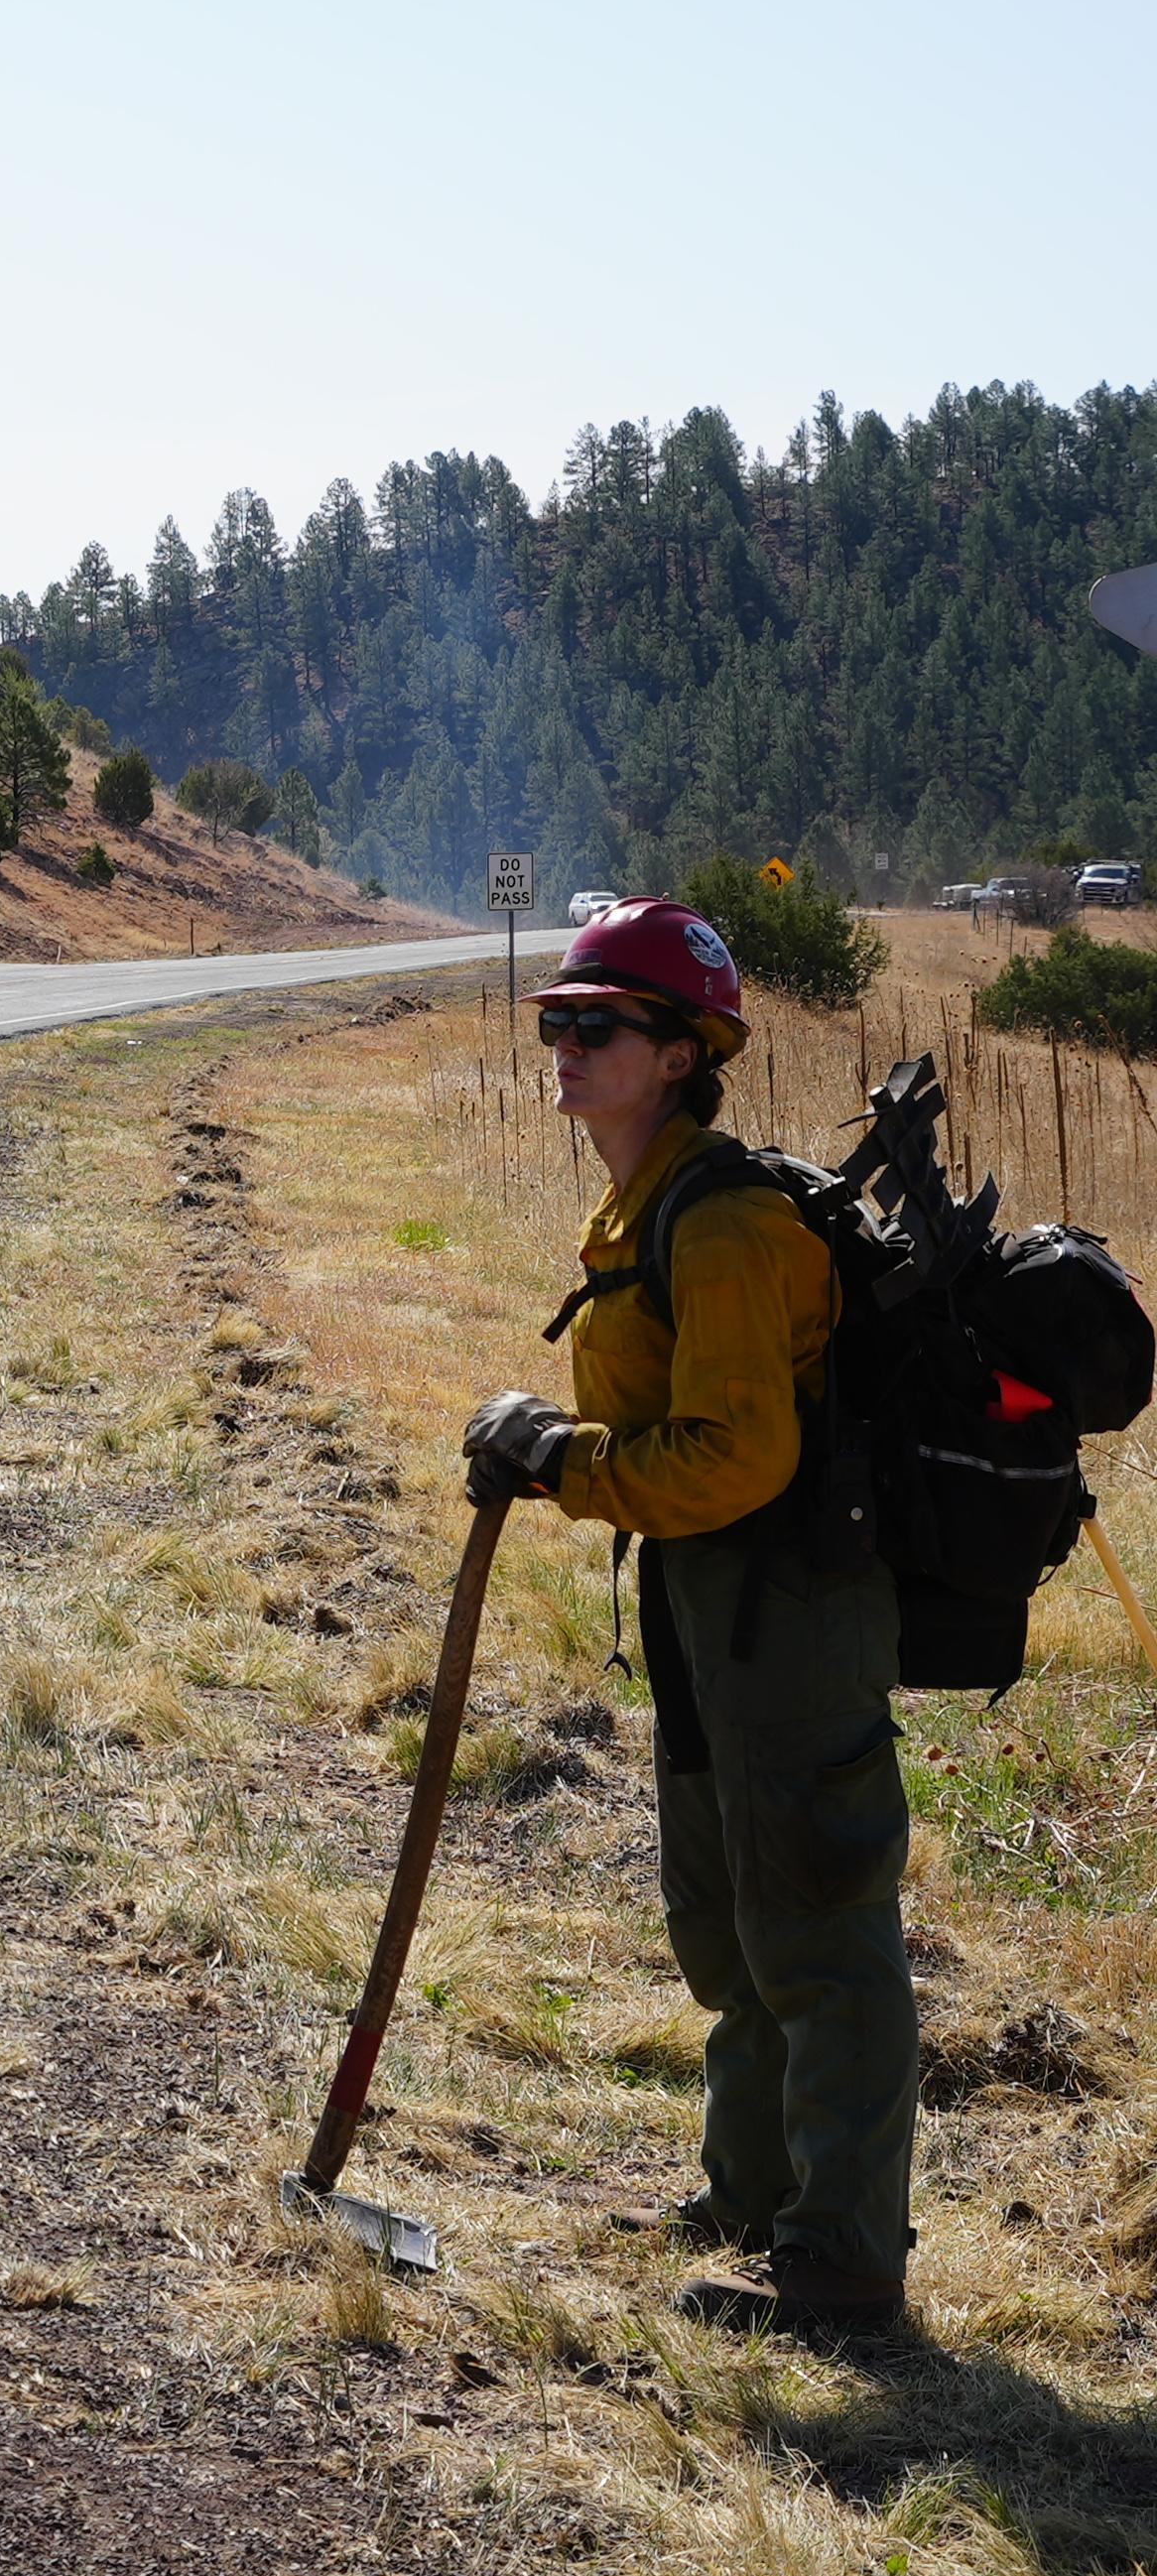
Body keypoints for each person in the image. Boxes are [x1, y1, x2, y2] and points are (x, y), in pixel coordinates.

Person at [460, 897, 913, 2341]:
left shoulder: (720, 1222)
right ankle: (749, 2191)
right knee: (726, 1919)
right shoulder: (645, 1199)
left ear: (682, 1052)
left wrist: (563, 1461)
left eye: (601, 1026)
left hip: (787, 1603)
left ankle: (841, 2266)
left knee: (817, 1925)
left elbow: (736, 1456)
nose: (568, 1044)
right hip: (707, 1601)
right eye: (559, 1020)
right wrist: (569, 1457)